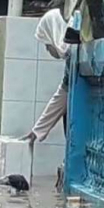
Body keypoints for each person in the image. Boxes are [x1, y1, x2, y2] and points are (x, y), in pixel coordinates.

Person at [22, 9, 71, 144]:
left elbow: (62, 96)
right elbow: (62, 95)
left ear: (54, 35)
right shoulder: (72, 55)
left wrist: (37, 131)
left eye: (47, 44)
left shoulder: (75, 53)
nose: (47, 49)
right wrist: (37, 132)